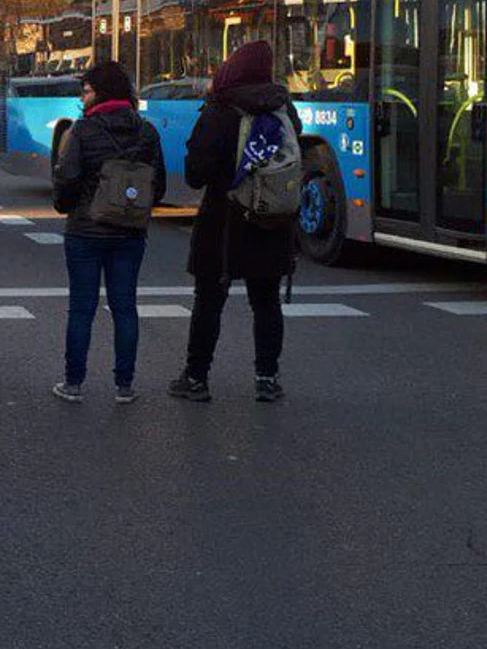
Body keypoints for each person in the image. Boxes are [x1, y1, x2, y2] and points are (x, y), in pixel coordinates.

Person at [171, 40, 303, 404]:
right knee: (266, 302)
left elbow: (196, 174)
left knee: (209, 301)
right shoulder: (283, 109)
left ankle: (196, 378)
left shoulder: (221, 109)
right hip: (272, 220)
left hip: (224, 221)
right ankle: (267, 378)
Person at [50, 61, 166, 404]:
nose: (82, 98)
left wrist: (65, 206)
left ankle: (73, 383)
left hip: (86, 230)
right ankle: (124, 385)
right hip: (129, 231)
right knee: (125, 307)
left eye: (85, 91)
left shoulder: (82, 131)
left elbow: (67, 178)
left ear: (99, 92)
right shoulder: (146, 131)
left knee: (82, 307)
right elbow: (156, 186)